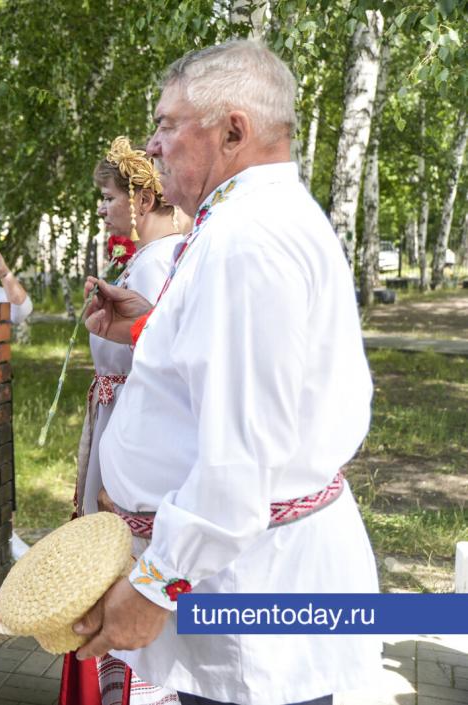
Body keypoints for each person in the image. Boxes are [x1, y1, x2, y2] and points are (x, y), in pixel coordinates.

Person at [75, 40, 380, 705]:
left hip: (249, 589)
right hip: (248, 575)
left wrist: (157, 583)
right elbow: (256, 380)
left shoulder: (245, 240)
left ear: (233, 130)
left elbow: (240, 461)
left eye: (166, 124)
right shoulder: (252, 220)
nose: (152, 147)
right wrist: (152, 327)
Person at [60, 138, 185, 705]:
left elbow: (158, 367)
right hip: (116, 411)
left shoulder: (159, 262)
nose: (103, 208)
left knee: (119, 548)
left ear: (141, 197)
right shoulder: (148, 258)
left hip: (133, 419)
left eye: (109, 197)